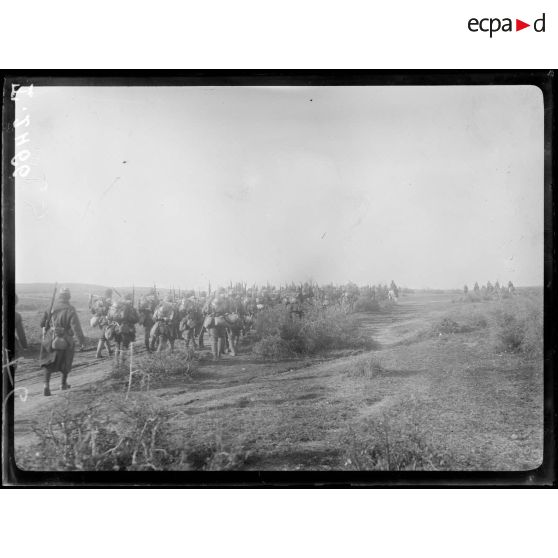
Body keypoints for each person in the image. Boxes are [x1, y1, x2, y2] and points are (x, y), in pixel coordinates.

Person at [40, 287, 86, 396]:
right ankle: (63, 384)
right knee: (66, 360)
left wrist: (48, 324)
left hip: (50, 338)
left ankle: (46, 386)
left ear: (59, 296)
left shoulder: (50, 307)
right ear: (68, 297)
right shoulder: (70, 309)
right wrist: (81, 341)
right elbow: (76, 327)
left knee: (48, 362)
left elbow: (41, 324)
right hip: (65, 338)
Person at [108, 293, 139, 365]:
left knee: (117, 347)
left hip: (116, 329)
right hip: (126, 329)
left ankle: (116, 365)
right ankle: (122, 366)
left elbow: (109, 317)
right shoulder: (129, 307)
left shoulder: (115, 306)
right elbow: (136, 319)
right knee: (124, 347)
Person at [91, 288, 113, 358]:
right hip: (105, 321)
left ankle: (109, 351)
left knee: (105, 337)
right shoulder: (107, 300)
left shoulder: (100, 300)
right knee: (103, 338)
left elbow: (93, 309)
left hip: (100, 320)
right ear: (110, 294)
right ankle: (98, 354)